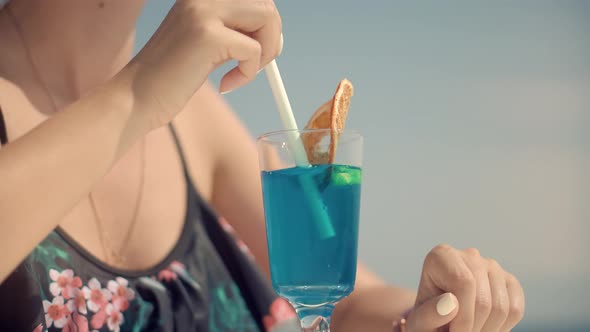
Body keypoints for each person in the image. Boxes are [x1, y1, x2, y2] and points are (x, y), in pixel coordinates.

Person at [0, 0, 525, 331]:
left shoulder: (194, 114)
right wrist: (137, 97)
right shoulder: (159, 92)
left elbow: (339, 301)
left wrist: (427, 313)